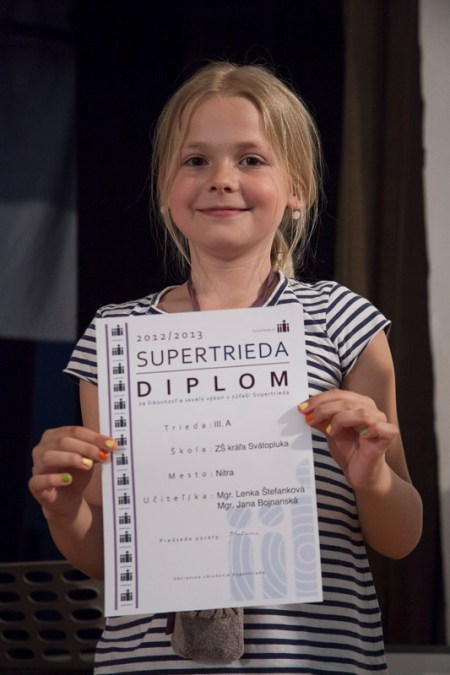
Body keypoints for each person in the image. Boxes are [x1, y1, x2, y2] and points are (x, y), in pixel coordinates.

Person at [29, 61, 423, 673]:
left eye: (251, 159)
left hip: (311, 659)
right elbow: (110, 556)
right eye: (195, 160)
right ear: (166, 187)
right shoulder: (118, 337)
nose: (220, 180)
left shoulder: (341, 320)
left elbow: (401, 537)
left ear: (297, 190)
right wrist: (65, 510)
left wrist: (371, 477)